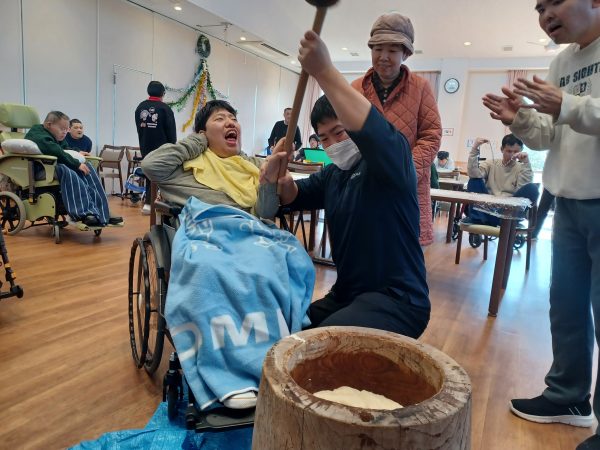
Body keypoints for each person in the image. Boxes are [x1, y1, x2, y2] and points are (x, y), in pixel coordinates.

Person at [482, 1, 600, 448]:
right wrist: (520, 118)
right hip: (567, 200)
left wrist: (567, 103)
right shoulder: (561, 62)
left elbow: (571, 111)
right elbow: (549, 136)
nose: (546, 14)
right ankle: (568, 397)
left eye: (555, 2)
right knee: (566, 307)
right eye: (539, 7)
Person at [261, 30, 430, 338]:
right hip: (347, 295)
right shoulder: (334, 175)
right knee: (288, 331)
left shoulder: (391, 160)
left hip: (398, 299)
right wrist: (279, 181)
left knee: (320, 344)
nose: (333, 143)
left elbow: (372, 128)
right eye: (324, 138)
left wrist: (324, 70)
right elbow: (294, 195)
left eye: (340, 132)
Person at [351, 12, 442, 246]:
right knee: (363, 250)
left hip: (407, 189)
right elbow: (345, 134)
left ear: (406, 53)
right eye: (377, 49)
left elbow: (431, 135)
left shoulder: (421, 87)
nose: (383, 57)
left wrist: (406, 171)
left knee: (404, 255)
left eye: (392, 50)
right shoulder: (355, 88)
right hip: (364, 186)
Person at [142, 100, 278, 219]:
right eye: (220, 119)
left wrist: (269, 180)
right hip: (204, 236)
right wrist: (198, 140)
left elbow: (266, 213)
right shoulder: (188, 166)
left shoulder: (255, 166)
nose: (231, 123)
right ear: (202, 133)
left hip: (249, 232)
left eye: (234, 119)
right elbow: (151, 165)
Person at [25, 111, 122, 227]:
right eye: (62, 129)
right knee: (68, 169)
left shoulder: (56, 135)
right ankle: (84, 213)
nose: (65, 132)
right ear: (49, 125)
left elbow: (66, 148)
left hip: (52, 166)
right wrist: (76, 164)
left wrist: (78, 152)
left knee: (88, 167)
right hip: (41, 169)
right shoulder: (37, 134)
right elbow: (55, 151)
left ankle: (103, 210)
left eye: (66, 129)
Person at [464, 134, 538, 226]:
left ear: (521, 150)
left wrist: (526, 163)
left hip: (508, 212)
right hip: (487, 209)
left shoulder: (522, 168)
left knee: (532, 188)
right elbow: (473, 174)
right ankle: (480, 219)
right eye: (509, 151)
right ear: (502, 149)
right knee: (474, 180)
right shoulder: (491, 163)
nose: (512, 155)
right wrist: (474, 149)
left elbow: (522, 190)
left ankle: (496, 221)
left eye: (516, 152)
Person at [135, 80, 177, 215]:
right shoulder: (165, 109)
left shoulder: (140, 107)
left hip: (145, 146)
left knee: (149, 173)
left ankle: (148, 204)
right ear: (162, 93)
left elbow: (139, 128)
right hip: (162, 148)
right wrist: (172, 146)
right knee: (161, 175)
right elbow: (171, 132)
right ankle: (155, 203)